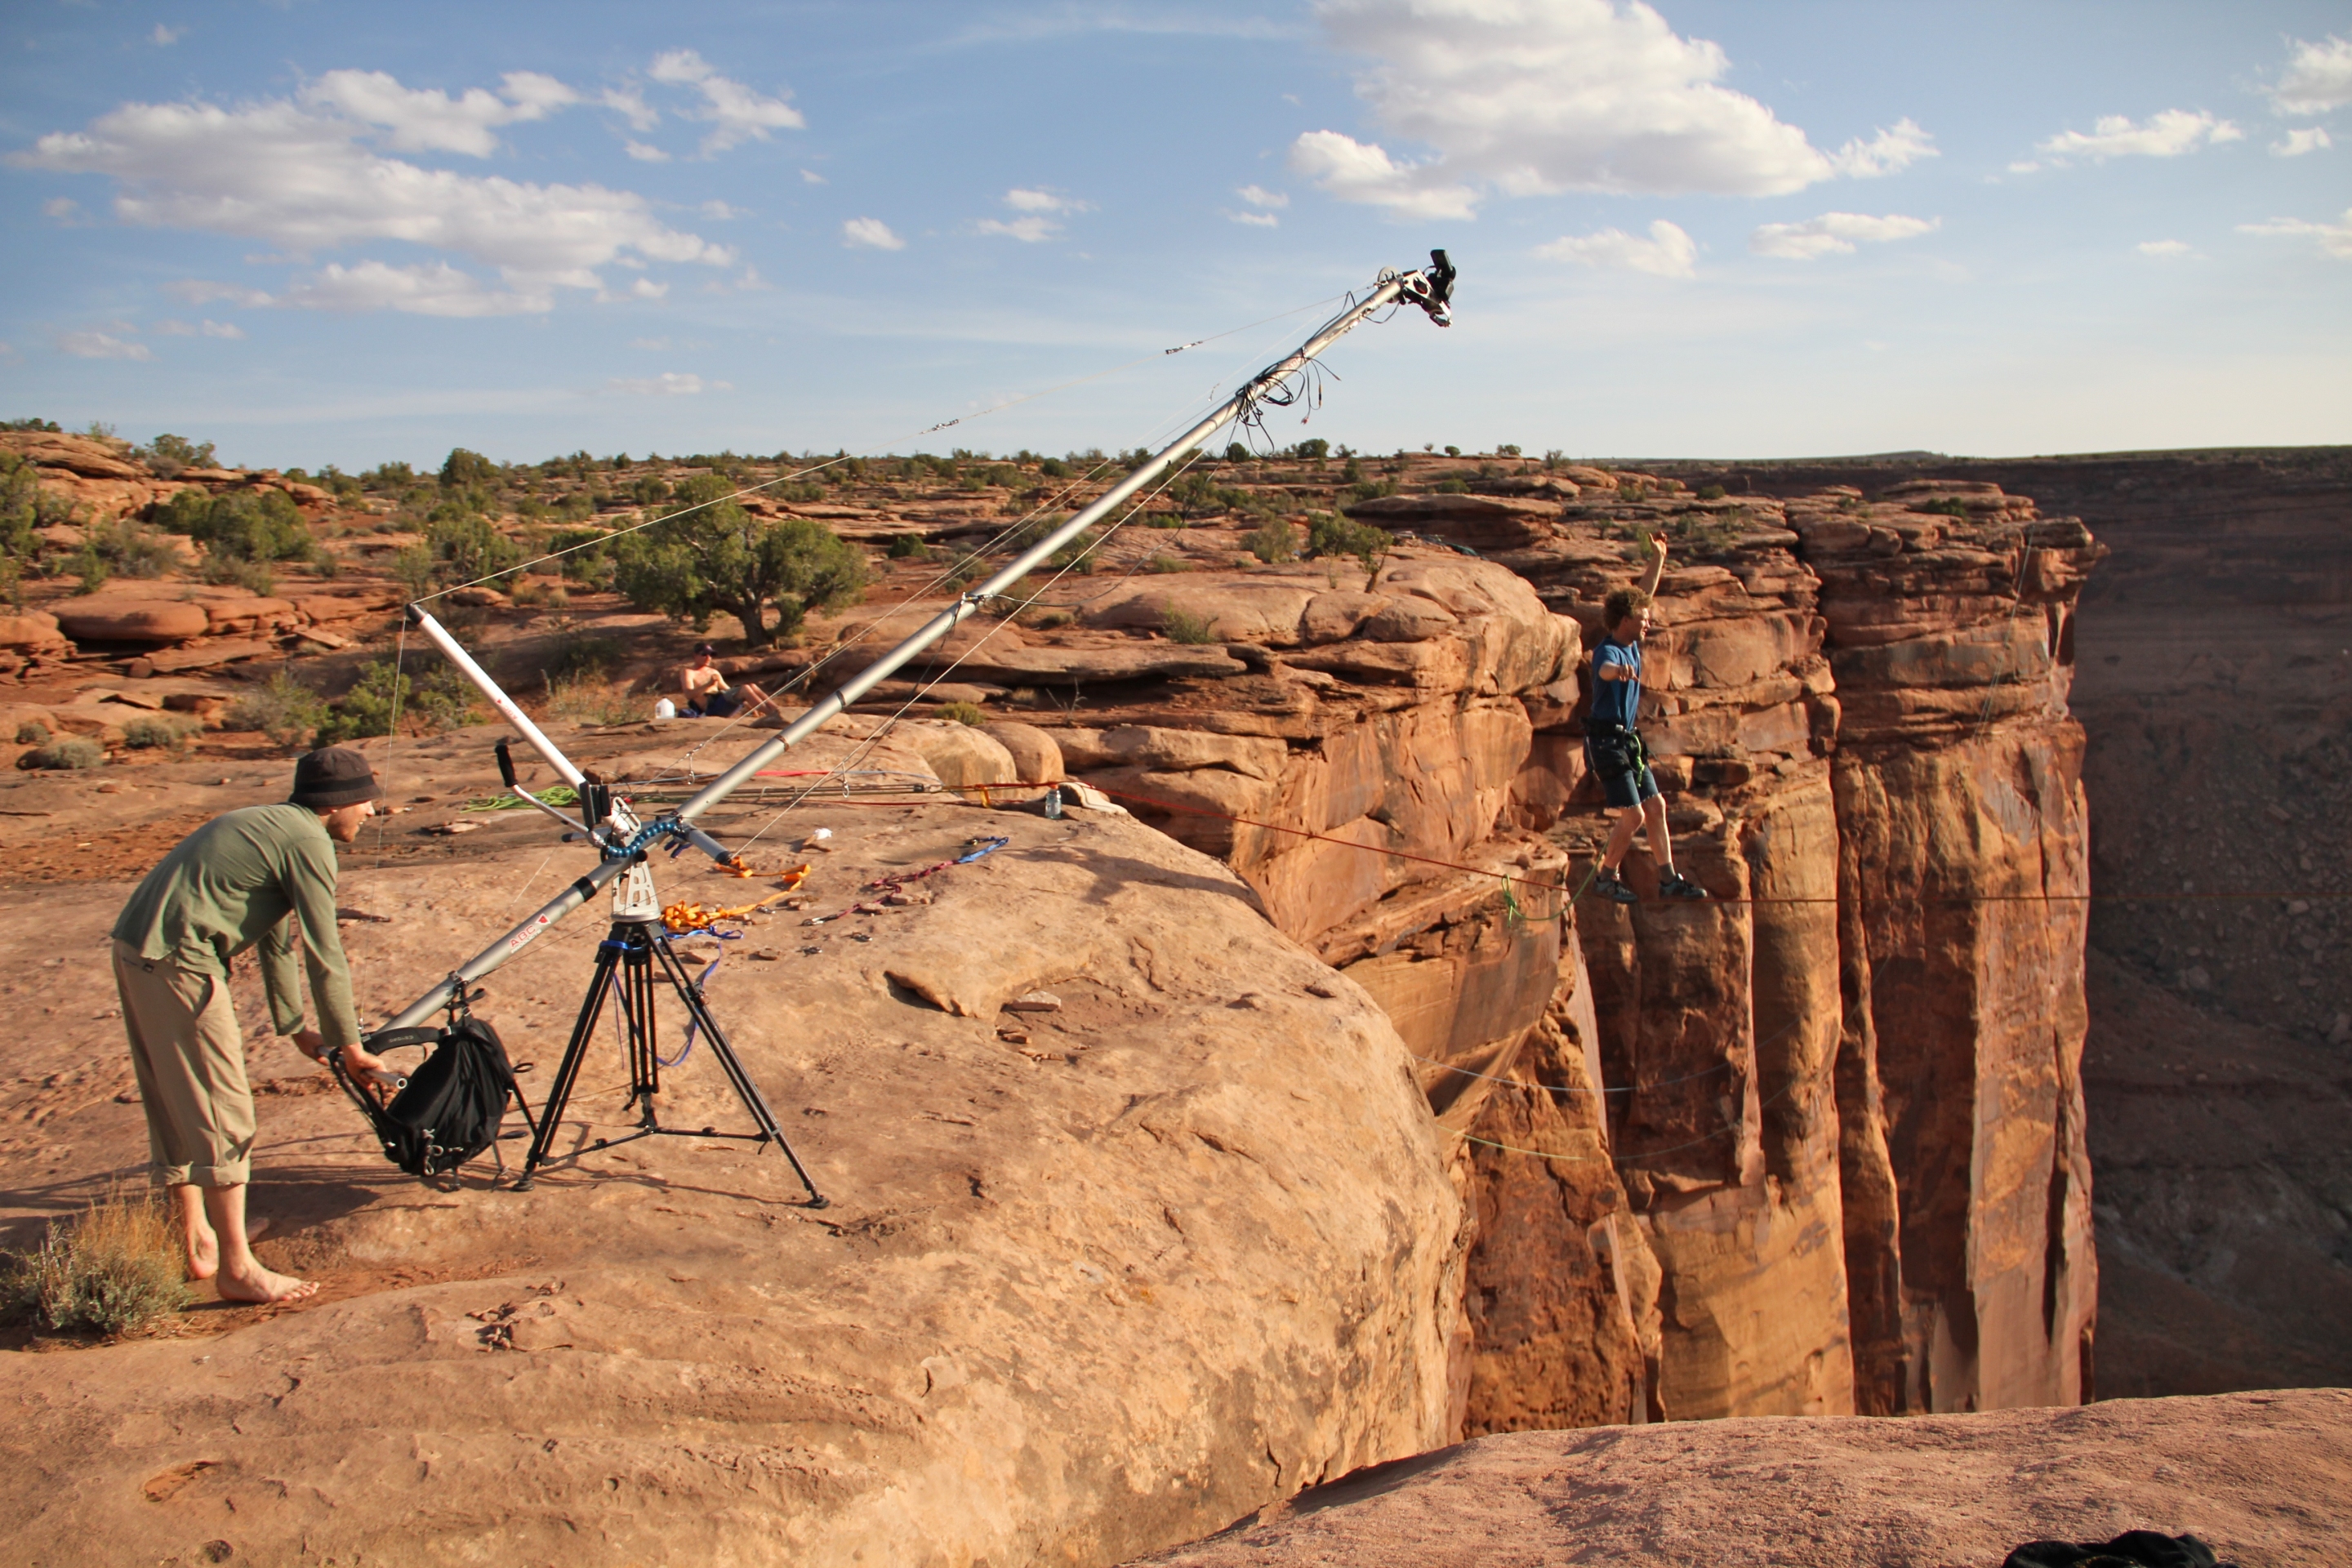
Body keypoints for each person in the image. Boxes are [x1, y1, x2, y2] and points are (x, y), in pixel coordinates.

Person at [110, 746, 394, 1304]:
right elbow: (324, 951)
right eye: (364, 801)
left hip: (133, 949)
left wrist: (295, 1029)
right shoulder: (309, 840)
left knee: (173, 1099)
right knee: (223, 1107)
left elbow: (274, 937)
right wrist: (351, 1046)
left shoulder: (267, 824)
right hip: (180, 960)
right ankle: (238, 1268)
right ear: (335, 803)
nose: (370, 812)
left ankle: (198, 1240)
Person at [1586, 536, 1707, 905]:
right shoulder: (1610, 651)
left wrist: (1658, 558)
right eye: (1642, 620)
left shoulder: (1632, 643)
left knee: (1656, 808)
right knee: (1635, 815)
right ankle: (1606, 877)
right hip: (1607, 744)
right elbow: (1604, 669)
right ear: (1625, 621)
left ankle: (1668, 879)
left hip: (1628, 742)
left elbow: (1644, 595)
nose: (1647, 624)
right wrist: (1617, 671)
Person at [679, 644, 772, 719]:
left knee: (751, 686)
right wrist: (708, 685)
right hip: (711, 708)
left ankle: (774, 709)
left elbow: (728, 690)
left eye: (710, 655)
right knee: (745, 688)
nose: (708, 658)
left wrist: (750, 706)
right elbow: (688, 695)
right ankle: (771, 715)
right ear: (695, 655)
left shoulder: (713, 672)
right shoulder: (688, 672)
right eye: (704, 654)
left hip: (722, 701)